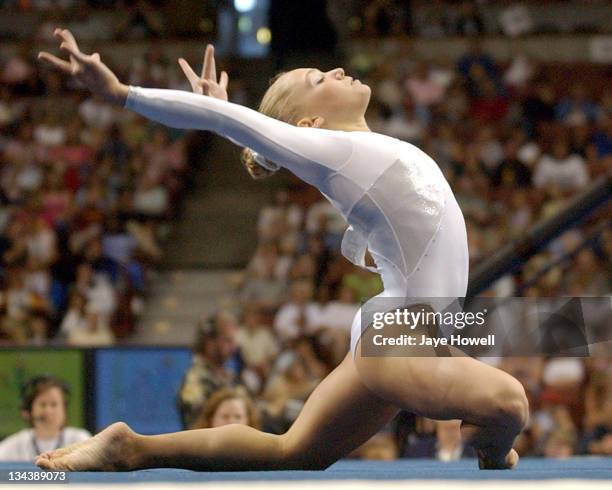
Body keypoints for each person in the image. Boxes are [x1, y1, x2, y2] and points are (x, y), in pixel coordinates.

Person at [34, 28, 528, 472]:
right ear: (310, 124)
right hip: (399, 337)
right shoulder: (341, 153)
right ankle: (488, 447)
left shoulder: (367, 159)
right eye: (318, 78)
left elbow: (387, 232)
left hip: (411, 328)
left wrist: (233, 123)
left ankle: (133, 448)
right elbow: (242, 128)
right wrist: (125, 95)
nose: (335, 69)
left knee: (295, 451)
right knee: (510, 403)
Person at [0, 375, 91, 461]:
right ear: (28, 411)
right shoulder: (13, 445)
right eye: (43, 405)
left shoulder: (80, 440)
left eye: (54, 404)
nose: (48, 411)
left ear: (64, 409)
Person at [190, 387, 261, 431]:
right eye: (225, 416)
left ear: (249, 421)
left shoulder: (258, 453)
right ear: (211, 420)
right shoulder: (195, 452)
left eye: (238, 417)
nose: (232, 422)